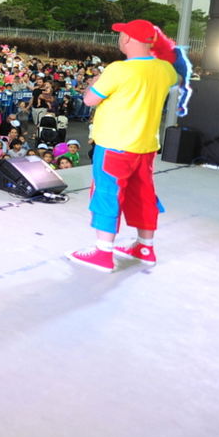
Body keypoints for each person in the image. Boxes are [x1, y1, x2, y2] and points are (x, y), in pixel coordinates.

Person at [67, 20, 182, 272]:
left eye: (121, 34)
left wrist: (96, 80)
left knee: (107, 193)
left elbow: (89, 100)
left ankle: (103, 253)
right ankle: (144, 247)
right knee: (143, 194)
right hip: (146, 146)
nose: (119, 38)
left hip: (114, 145)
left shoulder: (118, 69)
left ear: (128, 39)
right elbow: (171, 77)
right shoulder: (165, 69)